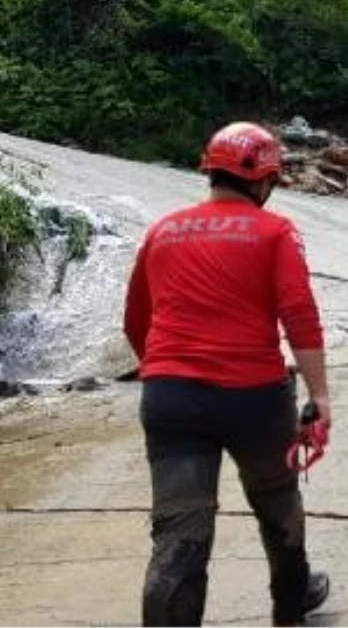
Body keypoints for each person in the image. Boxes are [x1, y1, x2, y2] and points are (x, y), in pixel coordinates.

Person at [123, 122, 332, 628]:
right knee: (278, 504)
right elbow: (298, 312)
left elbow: (136, 322)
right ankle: (289, 607)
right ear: (263, 180)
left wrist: (167, 373)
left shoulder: (163, 231)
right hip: (253, 399)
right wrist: (319, 395)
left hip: (170, 398)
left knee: (179, 532)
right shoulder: (275, 231)